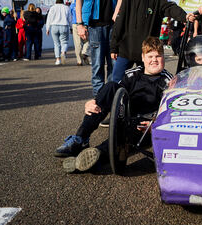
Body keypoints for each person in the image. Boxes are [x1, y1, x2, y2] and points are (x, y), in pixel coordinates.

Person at [54, 37, 172, 173]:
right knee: (110, 86)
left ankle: (92, 156)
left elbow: (171, 111)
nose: (154, 60)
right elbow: (115, 95)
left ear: (164, 57)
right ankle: (80, 138)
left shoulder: (169, 82)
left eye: (158, 56)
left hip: (145, 125)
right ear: (143, 57)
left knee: (122, 137)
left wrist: (156, 124)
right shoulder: (132, 74)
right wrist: (93, 101)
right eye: (150, 56)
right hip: (125, 114)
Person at [110, 0, 192, 83]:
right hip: (126, 50)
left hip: (148, 51)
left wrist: (185, 17)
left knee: (146, 83)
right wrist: (113, 47)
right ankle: (112, 102)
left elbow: (172, 8)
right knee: (115, 81)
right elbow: (119, 23)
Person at [46, 0, 72, 65]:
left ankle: (58, 60)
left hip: (54, 26)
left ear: (56, 0)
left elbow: (49, 18)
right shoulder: (67, 8)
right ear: (62, 0)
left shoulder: (52, 8)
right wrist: (71, 27)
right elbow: (70, 19)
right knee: (64, 42)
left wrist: (47, 28)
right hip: (64, 25)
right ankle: (63, 53)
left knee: (56, 43)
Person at [70, 0, 90, 66]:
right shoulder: (85, 3)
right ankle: (84, 52)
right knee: (87, 40)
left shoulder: (72, 5)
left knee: (77, 43)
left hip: (75, 24)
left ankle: (79, 61)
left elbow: (70, 16)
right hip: (84, 23)